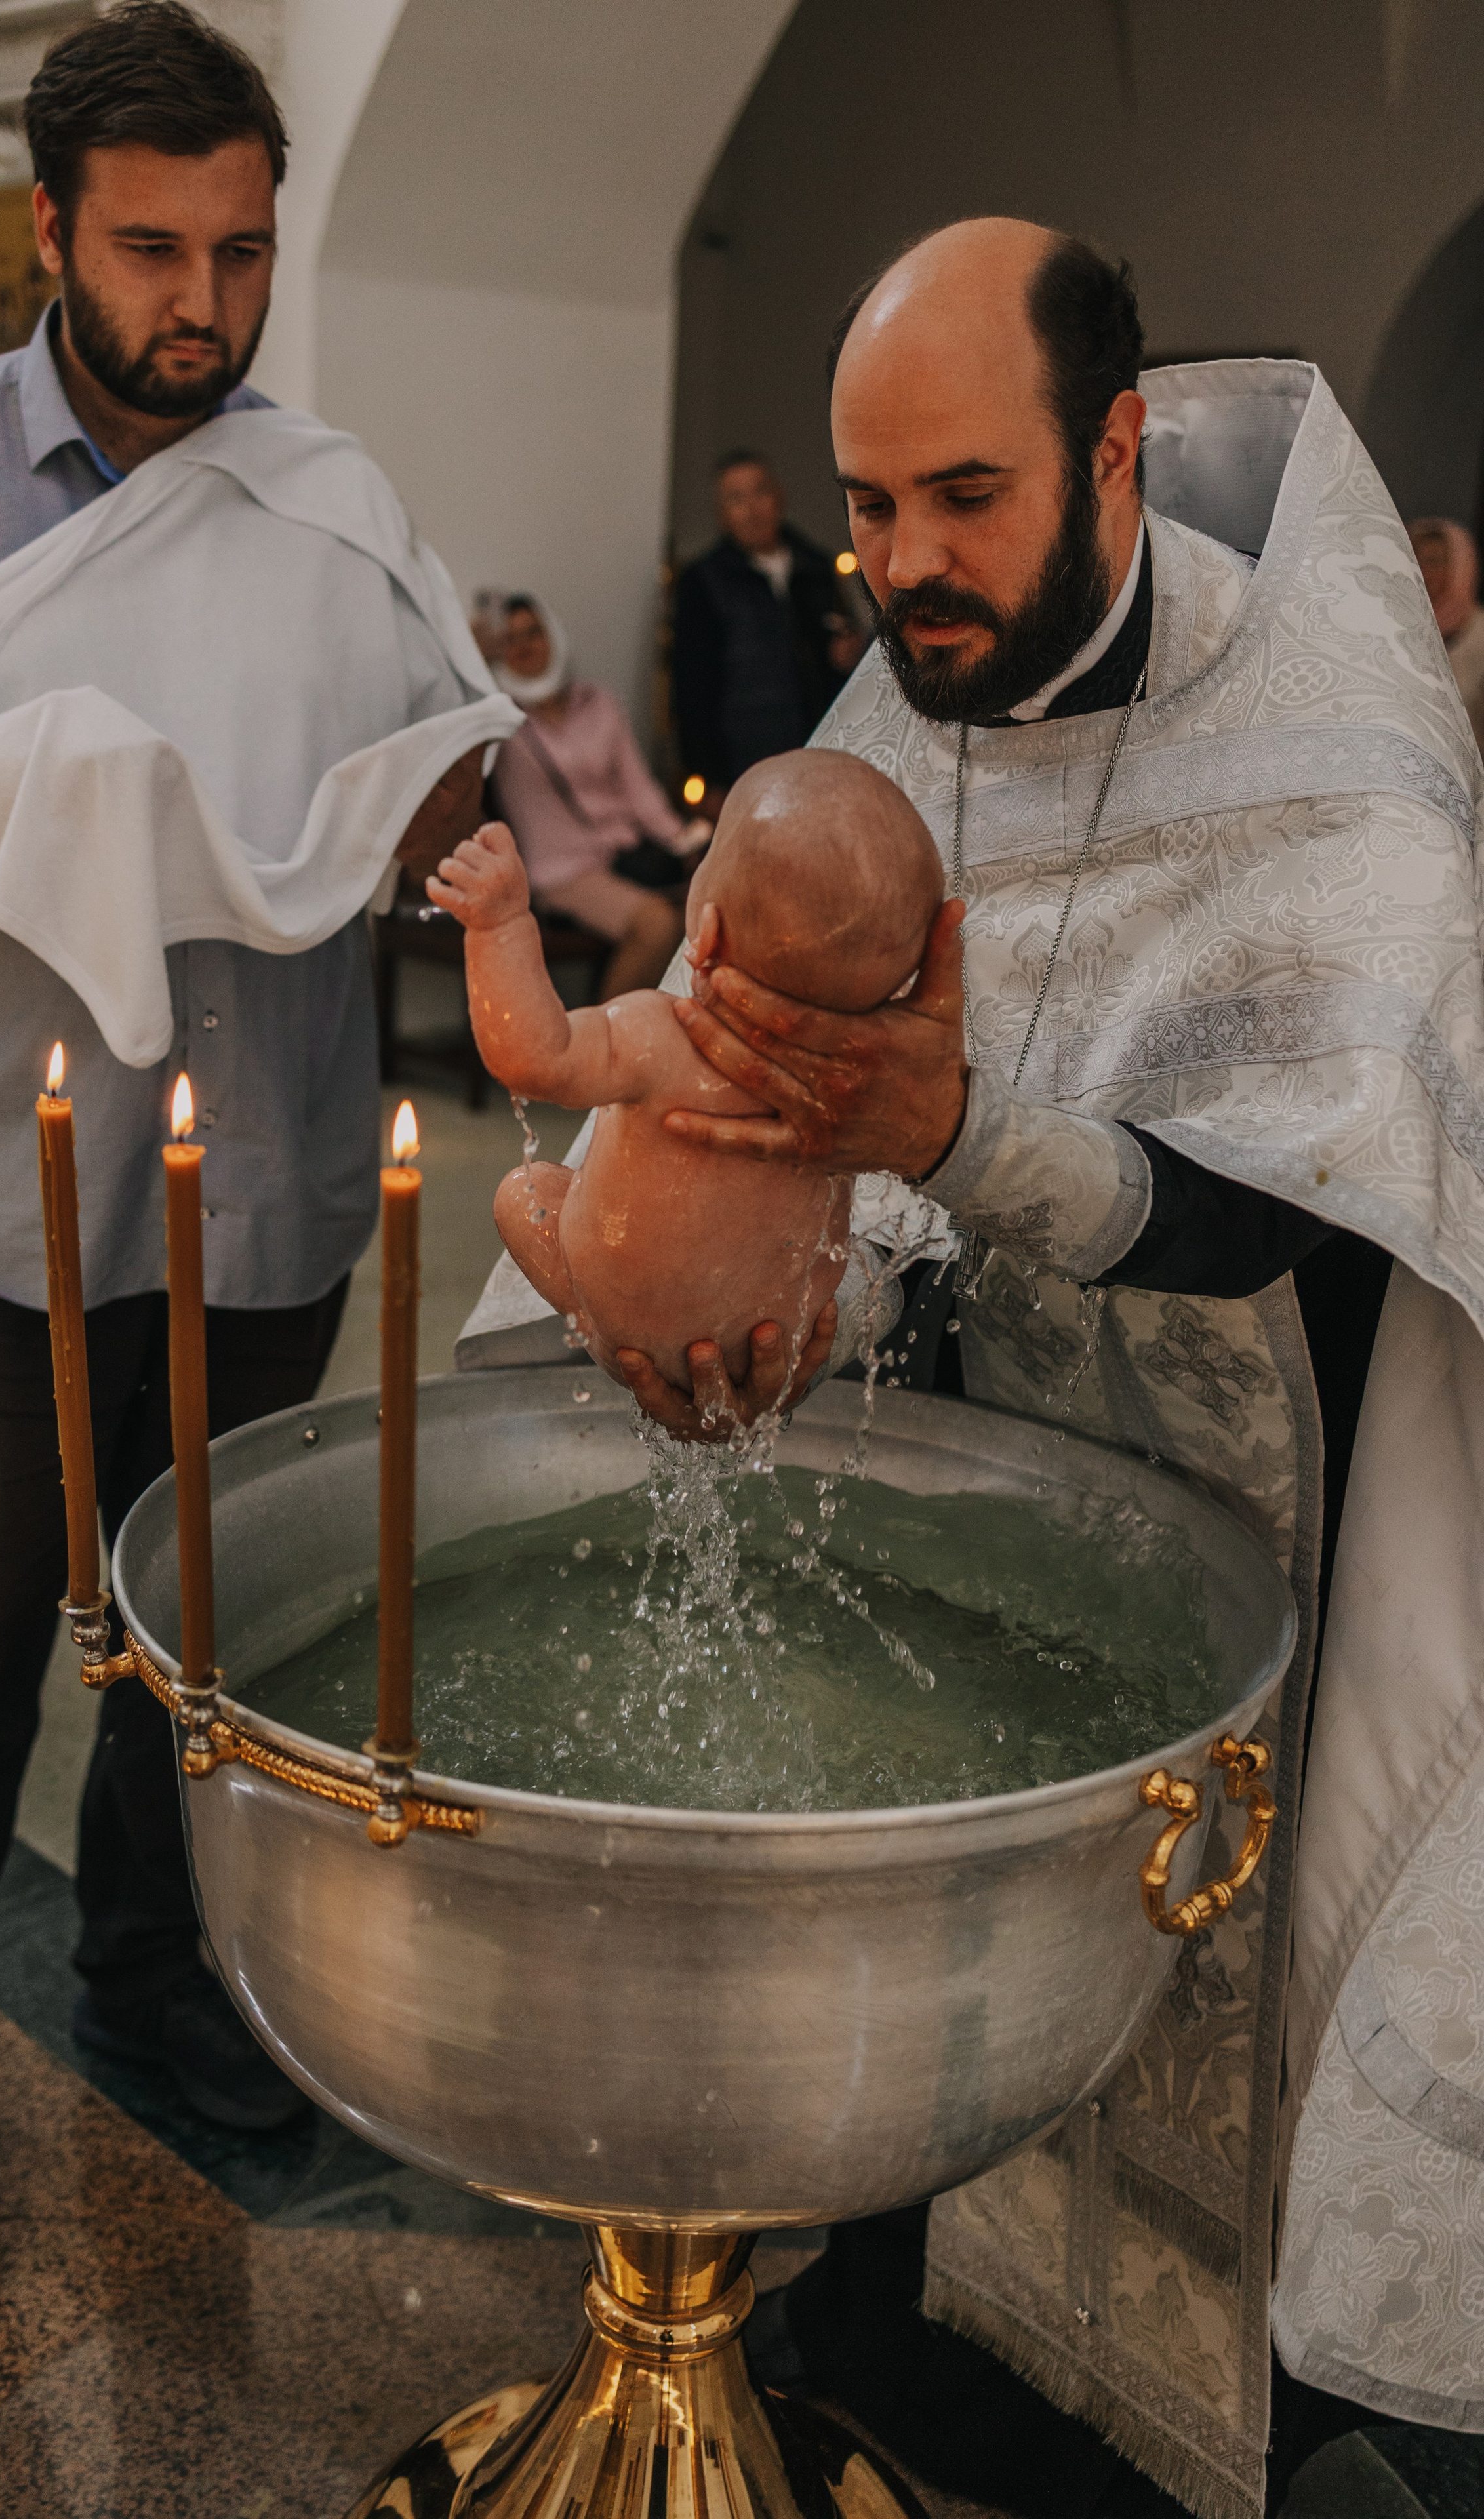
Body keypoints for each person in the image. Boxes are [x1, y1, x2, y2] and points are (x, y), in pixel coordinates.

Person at [473, 219, 1484, 2515]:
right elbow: (750, 1085)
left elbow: (1296, 1199)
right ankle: (886, 2368)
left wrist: (948, 1131)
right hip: (951, 1497)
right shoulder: (887, 714)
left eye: (962, 496)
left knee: (1188, 2042)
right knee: (914, 2046)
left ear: (1110, 450)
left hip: (1261, 1516)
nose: (902, 564)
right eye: (867, 504)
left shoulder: (1338, 748)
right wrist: (718, 1297)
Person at [0, 1, 491, 2280]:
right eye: (152, 250)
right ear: (51, 232)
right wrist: (19, 800)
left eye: (242, 251)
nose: (204, 303)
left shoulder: (324, 501)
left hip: (269, 1175)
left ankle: (146, 1979)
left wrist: (436, 816)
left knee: (200, 1641)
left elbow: (426, 767)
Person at [431, 751, 938, 1391]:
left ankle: (600, 1327)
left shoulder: (656, 1031)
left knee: (525, 1191)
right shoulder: (851, 1079)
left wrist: (499, 926)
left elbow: (532, 1059)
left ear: (707, 928)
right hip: (776, 1337)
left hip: (637, 1330)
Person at [487, 594, 707, 999]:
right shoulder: (500, 723)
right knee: (658, 925)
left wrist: (686, 841)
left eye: (533, 632)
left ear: (552, 635)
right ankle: (597, 1036)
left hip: (625, 854)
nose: (524, 646)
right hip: (562, 871)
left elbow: (639, 790)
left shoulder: (599, 703)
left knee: (707, 909)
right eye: (510, 639)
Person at [673, 450, 865, 816]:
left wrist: (847, 653)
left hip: (821, 749)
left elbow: (841, 644)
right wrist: (708, 775)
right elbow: (693, 685)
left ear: (779, 496)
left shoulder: (816, 568)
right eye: (737, 498)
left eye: (760, 491)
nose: (752, 509)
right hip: (746, 757)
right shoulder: (702, 582)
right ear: (721, 514)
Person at [1410, 515, 1484, 750]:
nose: (1424, 572)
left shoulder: (1480, 634)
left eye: (1435, 562)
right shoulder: (1399, 628)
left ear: (1461, 567)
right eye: (1415, 560)